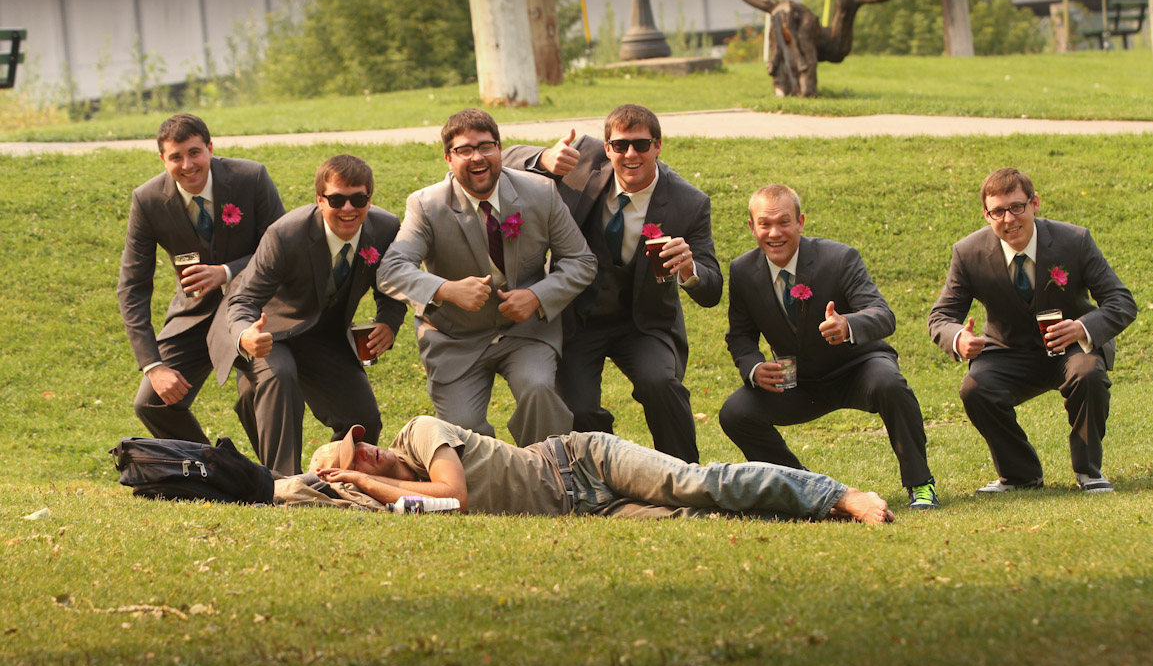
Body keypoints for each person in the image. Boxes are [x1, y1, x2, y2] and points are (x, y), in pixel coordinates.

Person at [502, 104, 722, 462]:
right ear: (607, 148)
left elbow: (712, 290)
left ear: (658, 146)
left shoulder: (689, 202)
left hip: (644, 323)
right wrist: (543, 158)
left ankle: (686, 475)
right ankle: (608, 475)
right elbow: (506, 157)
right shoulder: (582, 159)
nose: (631, 154)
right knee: (577, 408)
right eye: (620, 146)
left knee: (660, 384)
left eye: (641, 144)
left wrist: (689, 268)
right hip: (578, 317)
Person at [377, 109, 595, 446]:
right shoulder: (426, 205)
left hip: (526, 332)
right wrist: (446, 289)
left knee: (538, 389)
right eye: (464, 150)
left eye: (486, 146)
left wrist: (537, 296)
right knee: (464, 432)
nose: (477, 157)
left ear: (499, 149)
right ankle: (493, 484)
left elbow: (581, 260)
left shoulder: (540, 193)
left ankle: (547, 475)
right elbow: (392, 269)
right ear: (448, 158)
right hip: (454, 337)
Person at [720, 184, 939, 509]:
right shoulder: (741, 271)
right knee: (735, 413)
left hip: (859, 368)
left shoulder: (839, 258)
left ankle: (921, 484)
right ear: (752, 227)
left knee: (891, 384)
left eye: (784, 222)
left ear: (801, 222)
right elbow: (740, 335)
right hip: (799, 382)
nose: (774, 233)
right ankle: (801, 487)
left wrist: (848, 325)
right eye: (765, 224)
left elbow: (884, 316)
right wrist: (754, 368)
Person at [929, 168, 1137, 494]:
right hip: (1008, 352)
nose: (1008, 219)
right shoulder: (968, 253)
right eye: (997, 211)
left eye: (1016, 207)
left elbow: (1121, 301)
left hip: (1071, 349)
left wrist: (1083, 328)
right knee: (975, 389)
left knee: (1089, 374)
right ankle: (1020, 476)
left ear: (1034, 203)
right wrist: (959, 338)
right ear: (986, 215)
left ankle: (1088, 472)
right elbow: (941, 315)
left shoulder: (1075, 241)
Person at [209, 154, 406, 476]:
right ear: (319, 200)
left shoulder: (385, 229)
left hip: (322, 335)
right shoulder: (285, 234)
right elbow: (243, 299)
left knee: (363, 417)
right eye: (337, 199)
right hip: (266, 329)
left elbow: (393, 285)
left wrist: (388, 321)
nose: (348, 208)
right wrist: (247, 334)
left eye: (358, 199)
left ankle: (343, 481)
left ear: (370, 199)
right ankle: (282, 484)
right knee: (280, 376)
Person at [308, 418, 894, 524]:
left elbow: (454, 496)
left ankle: (837, 493)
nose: (367, 453)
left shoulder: (417, 432)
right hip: (582, 509)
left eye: (359, 447)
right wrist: (361, 490)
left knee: (698, 483)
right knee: (694, 517)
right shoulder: (399, 503)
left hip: (581, 459)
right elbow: (290, 495)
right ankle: (820, 514)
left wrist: (362, 481)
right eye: (355, 460)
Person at [118, 113, 284, 443]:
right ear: (162, 159)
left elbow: (280, 250)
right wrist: (153, 365)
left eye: (194, 152)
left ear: (210, 148)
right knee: (150, 403)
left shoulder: (250, 177)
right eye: (176, 157)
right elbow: (132, 287)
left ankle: (275, 481)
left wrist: (226, 271)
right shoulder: (147, 200)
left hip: (255, 310)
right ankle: (214, 470)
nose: (187, 165)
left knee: (261, 387)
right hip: (194, 314)